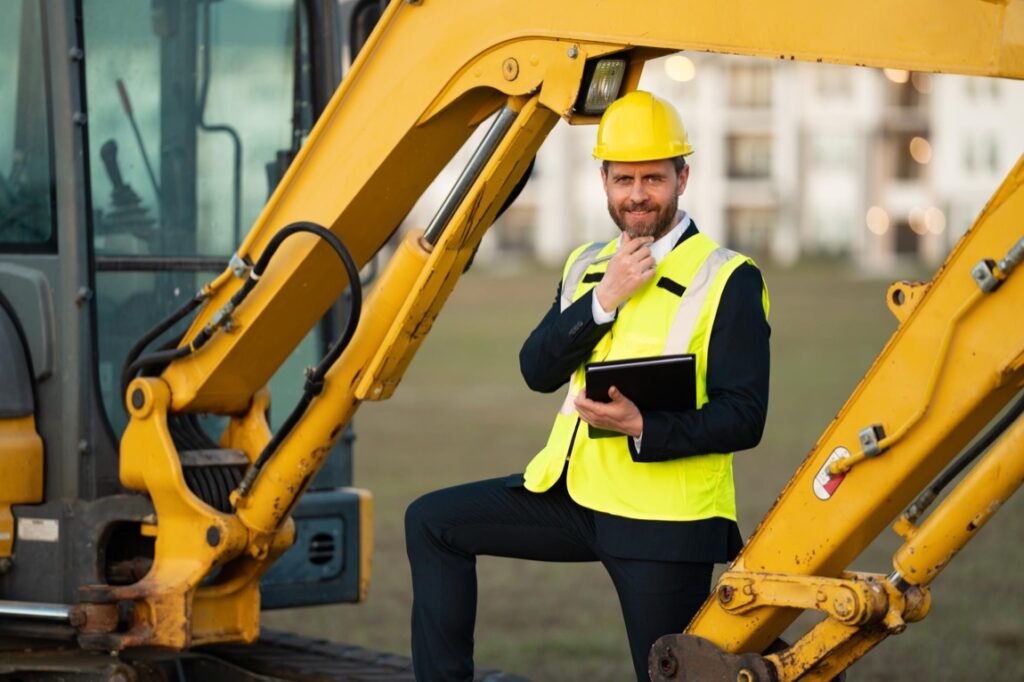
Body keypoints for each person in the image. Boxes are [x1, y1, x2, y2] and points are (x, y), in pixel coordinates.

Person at [405, 90, 770, 681]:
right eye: (623, 178)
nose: (637, 195)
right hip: (572, 496)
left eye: (653, 178)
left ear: (683, 176)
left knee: (668, 675)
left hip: (664, 522)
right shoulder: (586, 265)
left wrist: (643, 426)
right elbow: (536, 369)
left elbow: (745, 416)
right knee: (431, 521)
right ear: (603, 180)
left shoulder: (728, 277)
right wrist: (603, 299)